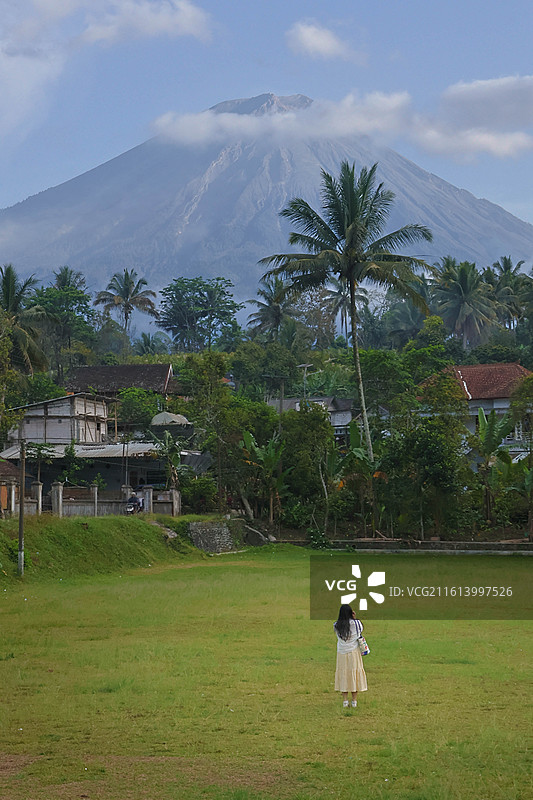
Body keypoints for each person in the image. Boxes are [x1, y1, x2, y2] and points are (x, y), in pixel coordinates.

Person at [334, 604, 367, 708]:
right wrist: (354, 618)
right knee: (354, 674)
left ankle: (345, 701)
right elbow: (360, 631)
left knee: (344, 674)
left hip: (342, 652)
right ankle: (354, 701)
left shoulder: (336, 625)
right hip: (354, 652)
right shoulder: (357, 624)